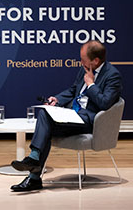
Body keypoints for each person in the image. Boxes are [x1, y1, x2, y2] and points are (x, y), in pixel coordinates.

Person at [10, 40, 123, 192]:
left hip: (89, 121)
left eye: (83, 59)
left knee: (46, 125)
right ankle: (34, 168)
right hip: (73, 115)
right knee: (45, 113)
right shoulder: (85, 68)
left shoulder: (112, 76)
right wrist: (57, 100)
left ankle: (34, 172)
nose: (80, 61)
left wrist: (91, 85)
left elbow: (104, 103)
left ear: (96, 60)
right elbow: (73, 90)